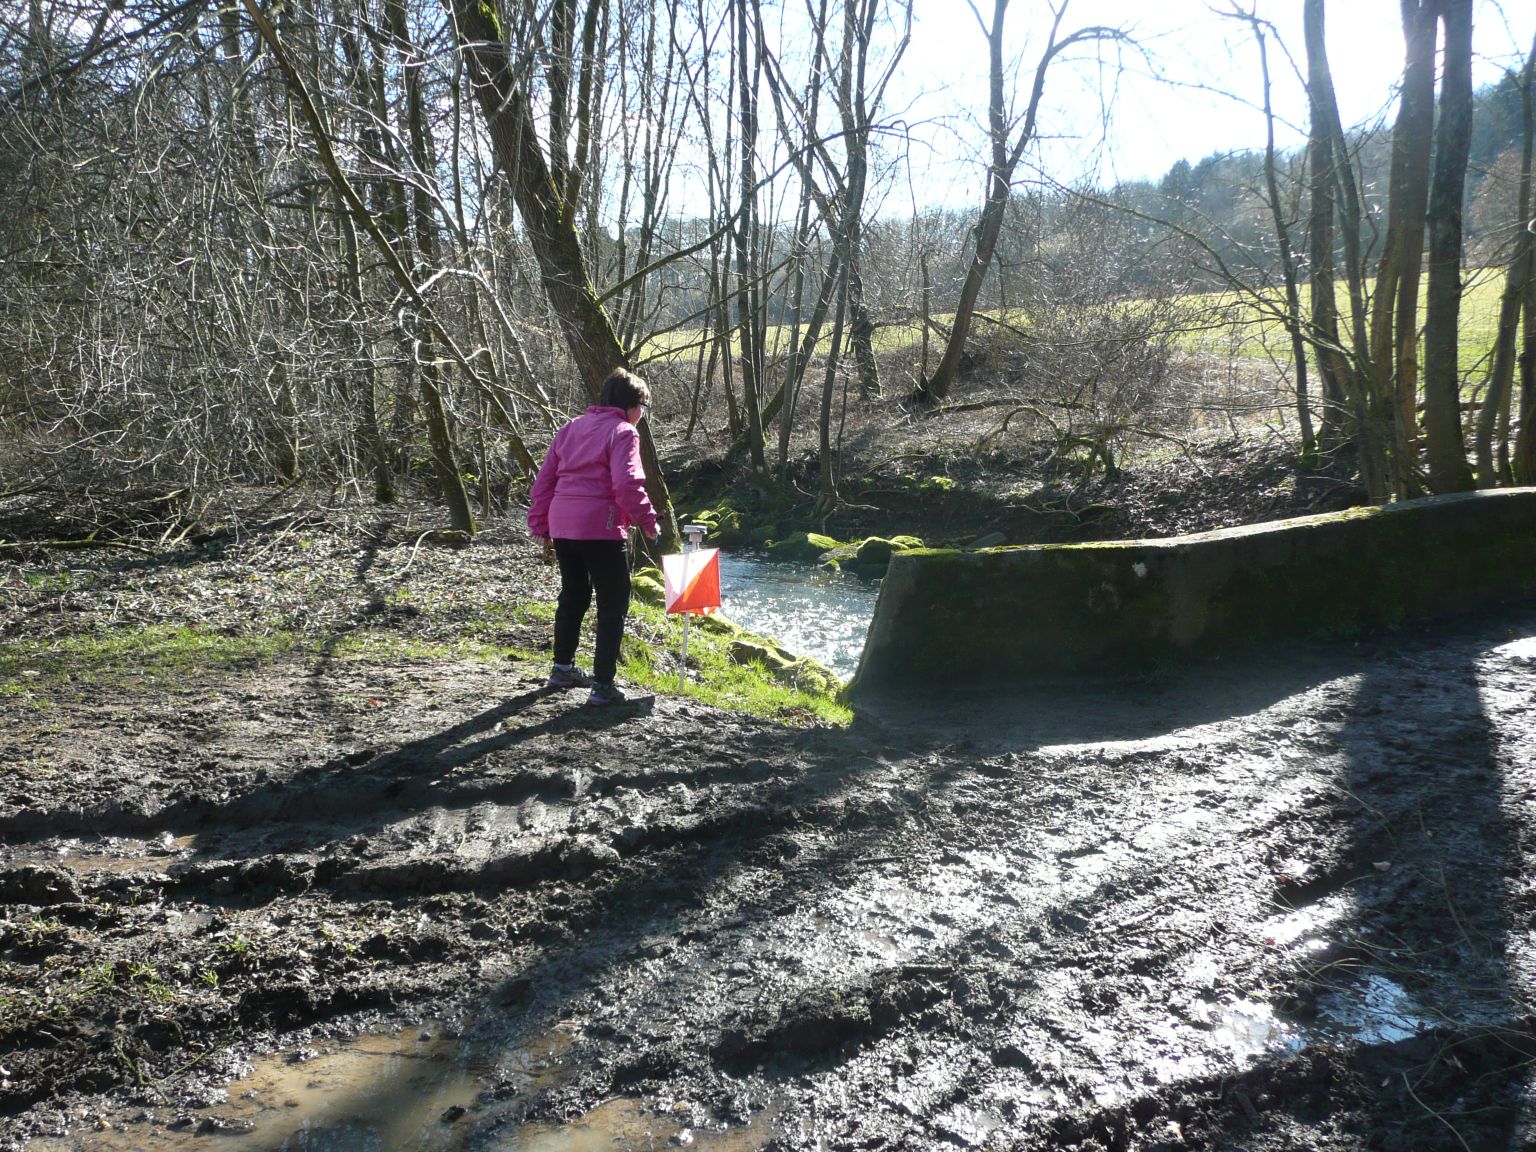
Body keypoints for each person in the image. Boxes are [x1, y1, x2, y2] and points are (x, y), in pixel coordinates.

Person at [527, 368, 660, 705]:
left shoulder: (571, 427)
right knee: (614, 602)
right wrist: (649, 522)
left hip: (563, 526)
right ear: (633, 406)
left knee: (573, 595)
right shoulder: (624, 432)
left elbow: (544, 481)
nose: (642, 417)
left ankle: (562, 669)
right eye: (643, 409)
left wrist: (540, 524)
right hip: (600, 527)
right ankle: (603, 687)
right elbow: (627, 484)